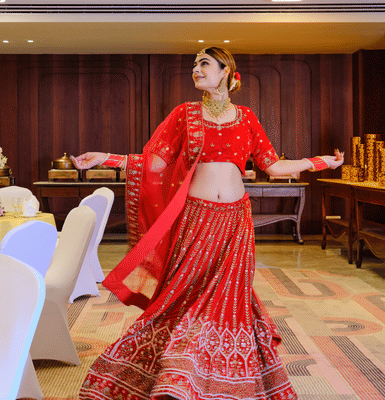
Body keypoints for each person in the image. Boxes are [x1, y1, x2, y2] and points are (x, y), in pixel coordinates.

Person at [74, 47, 343, 400]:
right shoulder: (185, 114)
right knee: (184, 294)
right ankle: (179, 371)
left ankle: (219, 373)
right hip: (196, 219)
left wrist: (317, 162)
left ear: (225, 71)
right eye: (194, 65)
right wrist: (107, 158)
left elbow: (273, 166)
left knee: (228, 298)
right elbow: (155, 163)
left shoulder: (246, 118)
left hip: (235, 222)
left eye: (203, 64)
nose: (195, 70)